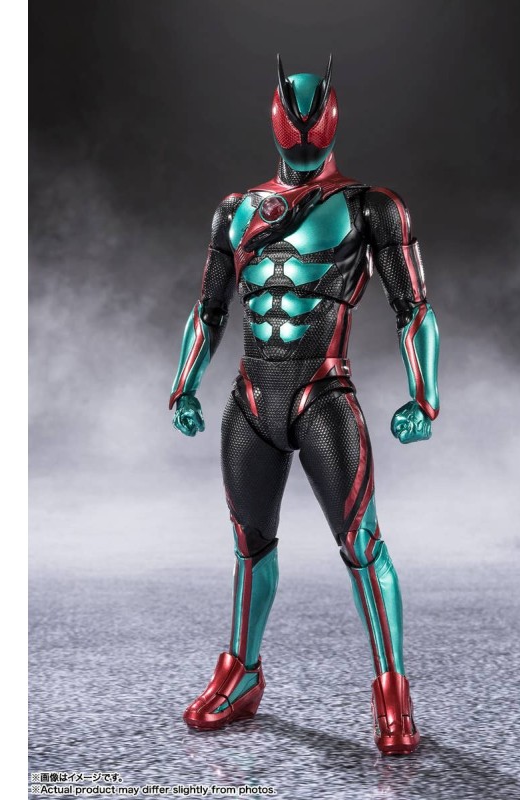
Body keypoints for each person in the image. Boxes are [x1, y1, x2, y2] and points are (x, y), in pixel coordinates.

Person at [170, 56, 440, 755]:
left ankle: (392, 690)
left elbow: (414, 309)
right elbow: (208, 308)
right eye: (294, 128)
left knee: (362, 543)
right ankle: (241, 673)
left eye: (312, 128)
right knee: (249, 544)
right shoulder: (235, 210)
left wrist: (426, 397)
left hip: (323, 393)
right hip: (252, 395)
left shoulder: (371, 207)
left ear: (331, 122)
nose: (303, 140)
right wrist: (184, 383)